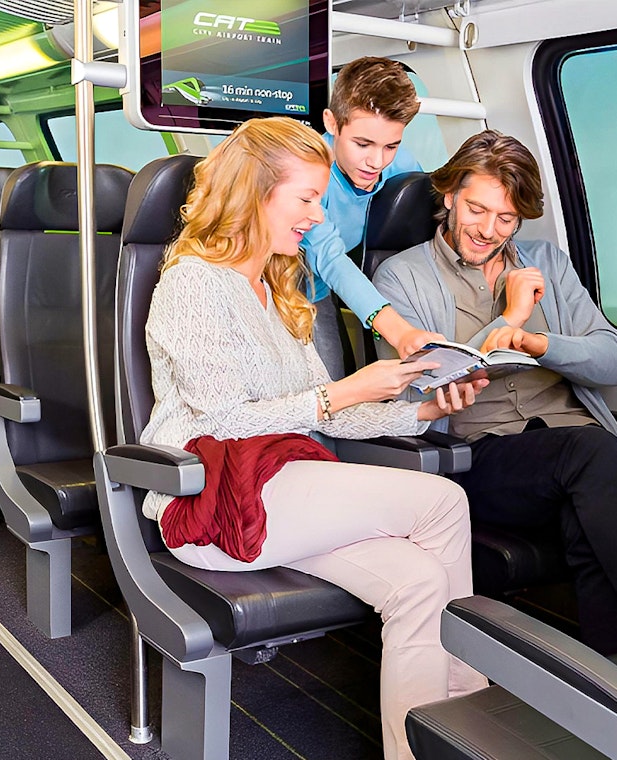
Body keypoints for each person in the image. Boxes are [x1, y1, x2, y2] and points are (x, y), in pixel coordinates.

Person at [140, 116, 490, 760]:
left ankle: (419, 749)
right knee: (444, 501)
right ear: (252, 193)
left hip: (281, 487)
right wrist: (348, 390)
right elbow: (222, 419)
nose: (314, 216)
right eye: (304, 199)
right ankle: (469, 726)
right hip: (210, 497)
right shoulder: (191, 284)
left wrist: (421, 410)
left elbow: (322, 418)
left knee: (415, 580)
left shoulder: (278, 286)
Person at [373, 130, 617, 655]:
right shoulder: (400, 277)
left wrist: (537, 341)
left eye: (505, 219)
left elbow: (613, 362)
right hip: (477, 456)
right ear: (450, 194)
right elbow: (414, 393)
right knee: (594, 451)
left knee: (589, 519)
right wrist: (508, 319)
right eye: (477, 210)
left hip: (572, 455)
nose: (487, 231)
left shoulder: (546, 262)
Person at [303, 56, 443, 377]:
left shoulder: (401, 165)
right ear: (331, 123)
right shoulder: (308, 171)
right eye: (362, 144)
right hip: (274, 284)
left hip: (317, 290)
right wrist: (398, 332)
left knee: (334, 388)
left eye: (390, 146)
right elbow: (331, 259)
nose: (376, 161)